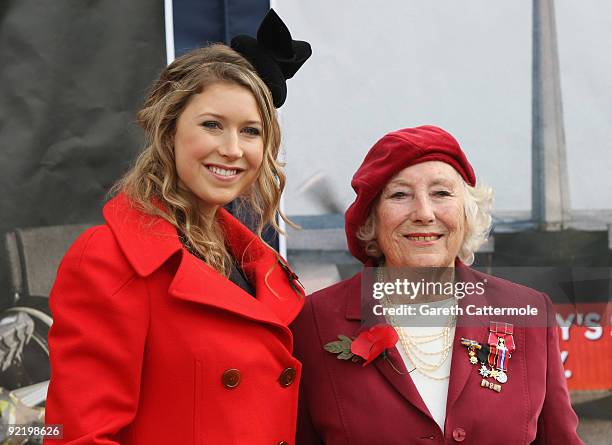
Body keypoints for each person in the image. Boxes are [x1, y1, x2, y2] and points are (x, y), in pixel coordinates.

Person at [44, 9, 311, 445]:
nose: (232, 149)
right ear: (168, 132)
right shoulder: (108, 259)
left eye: (250, 132)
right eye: (212, 125)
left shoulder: (259, 266)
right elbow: (79, 436)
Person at [291, 125, 583, 444]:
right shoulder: (310, 323)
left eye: (441, 193)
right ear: (370, 221)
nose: (424, 213)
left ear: (467, 213)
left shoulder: (528, 313)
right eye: (400, 195)